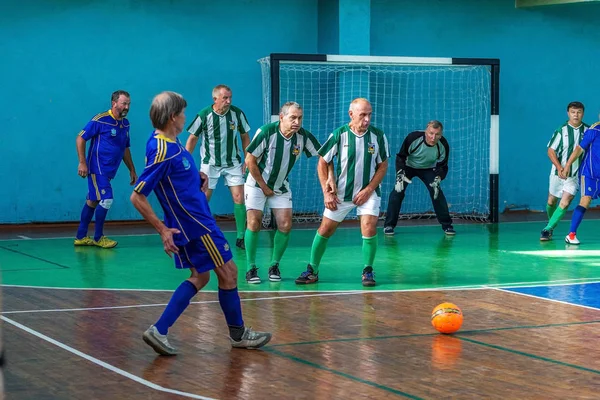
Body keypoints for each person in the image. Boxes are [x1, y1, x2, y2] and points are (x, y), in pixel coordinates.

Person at [130, 91, 271, 356]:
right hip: (197, 225)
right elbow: (137, 196)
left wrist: (198, 176)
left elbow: (174, 178)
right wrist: (162, 230)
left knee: (200, 276)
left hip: (192, 221)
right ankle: (239, 335)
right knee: (229, 274)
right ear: (173, 117)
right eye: (182, 113)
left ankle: (159, 330)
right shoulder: (164, 151)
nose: (185, 116)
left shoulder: (168, 140)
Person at [295, 98, 389, 287]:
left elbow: (383, 166)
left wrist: (369, 189)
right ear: (351, 114)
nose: (367, 119)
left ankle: (368, 270)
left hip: (368, 192)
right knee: (325, 229)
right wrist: (327, 192)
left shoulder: (378, 136)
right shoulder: (339, 135)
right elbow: (322, 161)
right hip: (341, 194)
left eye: (369, 114)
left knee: (369, 227)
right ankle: (312, 270)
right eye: (363, 115)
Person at [244, 102, 322, 284]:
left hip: (281, 186)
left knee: (285, 225)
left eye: (299, 118)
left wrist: (330, 180)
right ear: (281, 117)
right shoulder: (266, 132)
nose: (297, 122)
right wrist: (263, 186)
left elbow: (323, 155)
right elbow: (250, 160)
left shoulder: (302, 137)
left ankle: (274, 265)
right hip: (256, 184)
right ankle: (250, 267)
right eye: (292, 118)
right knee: (254, 223)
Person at [186, 85, 250, 250]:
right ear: (215, 99)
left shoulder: (237, 113)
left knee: (239, 198)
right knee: (203, 199)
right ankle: (200, 233)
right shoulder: (204, 115)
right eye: (225, 98)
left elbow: (244, 136)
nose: (228, 101)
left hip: (233, 163)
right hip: (210, 164)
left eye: (230, 98)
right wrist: (185, 161)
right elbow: (192, 138)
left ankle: (241, 237)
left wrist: (248, 157)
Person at [74, 90, 137, 249]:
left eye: (128, 104)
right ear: (114, 103)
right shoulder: (100, 120)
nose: (127, 107)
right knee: (106, 199)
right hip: (97, 168)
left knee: (93, 200)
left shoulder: (125, 124)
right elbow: (80, 138)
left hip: (109, 171)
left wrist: (132, 169)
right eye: (124, 103)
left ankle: (81, 237)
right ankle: (98, 237)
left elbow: (125, 148)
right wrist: (82, 162)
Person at [383, 120, 454, 236]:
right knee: (397, 191)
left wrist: (439, 178)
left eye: (437, 135)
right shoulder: (413, 138)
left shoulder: (443, 145)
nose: (433, 137)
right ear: (426, 131)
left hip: (428, 169)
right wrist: (400, 175)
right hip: (408, 167)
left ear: (441, 135)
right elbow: (401, 157)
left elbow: (443, 166)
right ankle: (389, 225)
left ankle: (447, 225)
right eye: (431, 133)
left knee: (436, 192)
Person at [540, 101, 588, 241]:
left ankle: (547, 230)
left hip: (575, 175)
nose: (576, 115)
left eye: (578, 112)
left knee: (566, 202)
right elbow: (550, 151)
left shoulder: (587, 130)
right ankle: (551, 224)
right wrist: (560, 167)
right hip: (557, 173)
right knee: (551, 201)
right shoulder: (561, 130)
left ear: (582, 114)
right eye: (573, 112)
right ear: (568, 113)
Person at [561, 117, 600, 245]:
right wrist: (567, 165)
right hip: (589, 173)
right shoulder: (594, 130)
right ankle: (571, 234)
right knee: (586, 200)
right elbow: (579, 149)